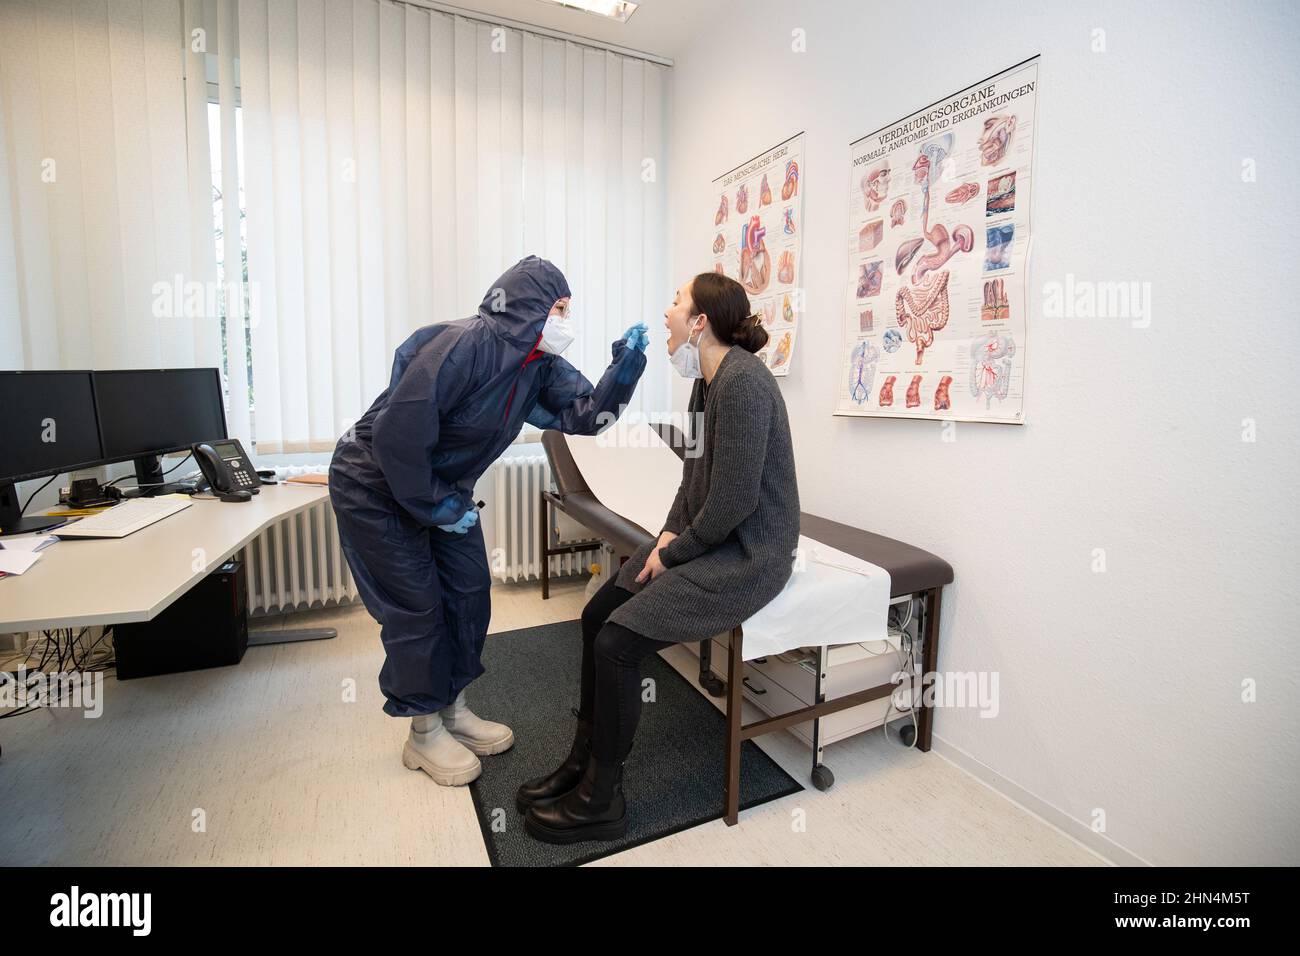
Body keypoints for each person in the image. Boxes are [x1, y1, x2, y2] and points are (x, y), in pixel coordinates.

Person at [328, 255, 649, 787]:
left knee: (470, 592)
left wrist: (626, 367)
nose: (566, 320)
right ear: (529, 306)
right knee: (417, 606)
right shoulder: (462, 345)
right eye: (561, 308)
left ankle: (451, 706)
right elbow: (396, 437)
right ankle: (423, 732)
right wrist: (435, 507)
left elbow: (588, 418)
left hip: (441, 489)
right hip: (376, 484)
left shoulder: (536, 364)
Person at [518, 271, 800, 844]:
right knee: (597, 615)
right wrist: (667, 537)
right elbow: (690, 481)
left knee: (618, 645)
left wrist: (676, 555)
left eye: (676, 304)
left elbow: (737, 499)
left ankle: (603, 800)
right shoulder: (705, 386)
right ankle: (582, 761)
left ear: (700, 322)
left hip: (750, 554)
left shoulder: (743, 383)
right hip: (709, 537)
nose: (666, 314)